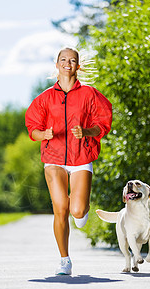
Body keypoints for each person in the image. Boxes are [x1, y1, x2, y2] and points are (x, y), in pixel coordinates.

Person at [25, 47, 113, 275]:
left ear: (78, 66)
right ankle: (65, 260)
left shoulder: (90, 94)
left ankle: (81, 209)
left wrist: (86, 131)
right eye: (63, 59)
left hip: (81, 156)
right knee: (60, 208)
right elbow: (32, 127)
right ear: (56, 65)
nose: (68, 63)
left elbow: (103, 124)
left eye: (72, 60)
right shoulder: (45, 98)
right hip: (53, 158)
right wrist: (42, 135)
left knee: (76, 210)